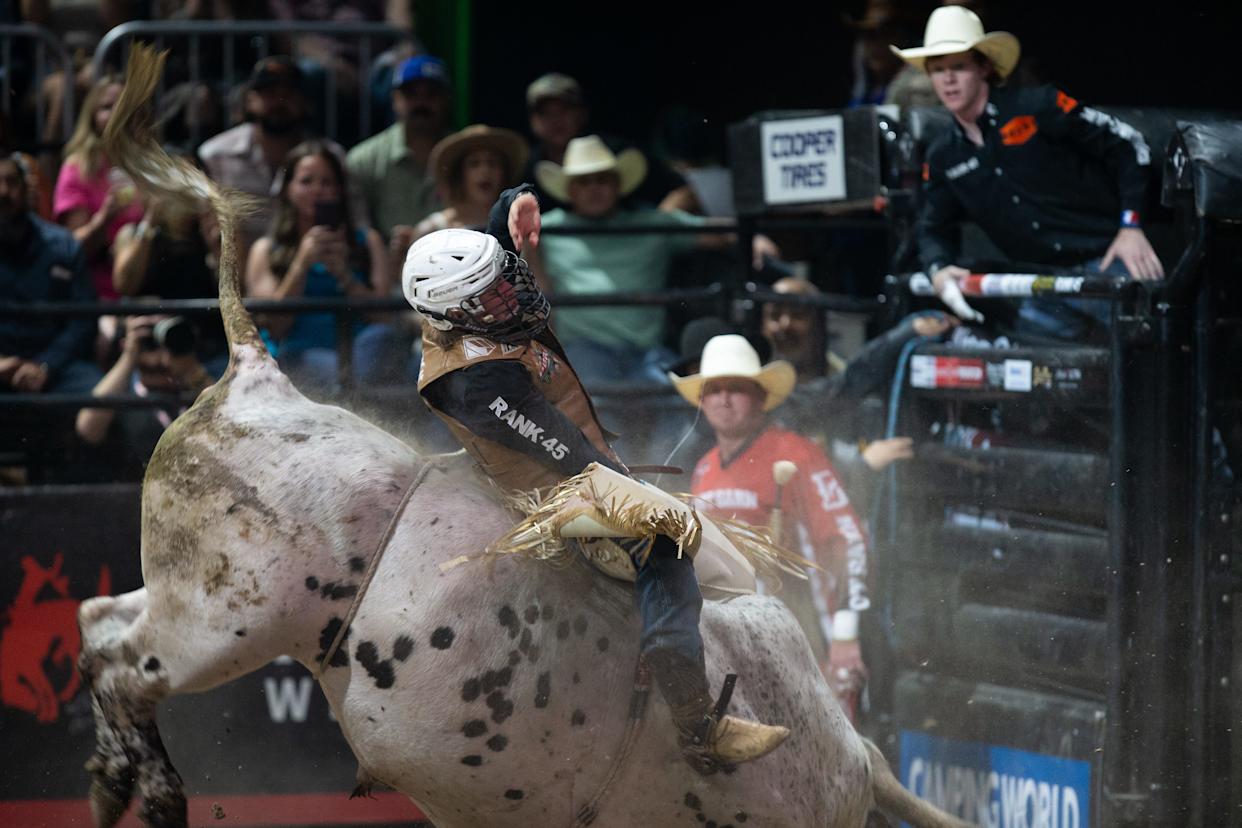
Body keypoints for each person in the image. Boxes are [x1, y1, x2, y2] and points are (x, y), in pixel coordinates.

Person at [402, 184, 789, 774]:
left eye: (505, 277)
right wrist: (630, 491)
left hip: (574, 460)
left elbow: (492, 245)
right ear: (456, 314)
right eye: (495, 292)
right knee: (663, 537)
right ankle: (694, 719)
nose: (512, 291)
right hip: (552, 489)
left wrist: (516, 200)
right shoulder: (473, 381)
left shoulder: (465, 300)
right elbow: (564, 448)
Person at [891, 6, 1162, 335]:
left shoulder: (1039, 107)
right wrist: (939, 269)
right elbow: (933, 227)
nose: (948, 79)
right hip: (1040, 284)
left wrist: (1130, 226)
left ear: (984, 67)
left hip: (1108, 262)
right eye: (937, 69)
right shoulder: (943, 155)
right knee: (1030, 371)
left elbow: (1129, 143)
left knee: (1156, 356)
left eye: (958, 66)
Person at [672, 334, 873, 720]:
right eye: (714, 389)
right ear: (701, 400)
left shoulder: (798, 455)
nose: (724, 399)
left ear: (760, 397)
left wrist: (846, 637)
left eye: (736, 389)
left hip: (810, 640)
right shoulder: (704, 469)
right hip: (738, 648)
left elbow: (847, 541)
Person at [529, 135, 777, 385]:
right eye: (584, 182)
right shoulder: (544, 229)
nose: (594, 188)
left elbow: (716, 233)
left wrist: (751, 240)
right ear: (570, 190)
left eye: (603, 179)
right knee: (596, 405)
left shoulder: (652, 223)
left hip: (648, 352)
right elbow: (501, 250)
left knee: (675, 399)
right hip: (583, 350)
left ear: (618, 185)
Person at [244, 141, 396, 393]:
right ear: (288, 189)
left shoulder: (367, 242)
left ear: (339, 190)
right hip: (296, 355)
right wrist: (301, 264)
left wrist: (344, 275)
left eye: (327, 182)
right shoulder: (265, 250)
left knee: (382, 338)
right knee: (326, 368)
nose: (318, 190)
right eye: (306, 181)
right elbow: (275, 324)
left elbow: (382, 317)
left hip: (359, 352)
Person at [199, 56, 355, 252]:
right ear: (249, 100)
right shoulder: (215, 155)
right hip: (234, 272)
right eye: (269, 93)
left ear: (305, 102)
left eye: (289, 93)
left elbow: (355, 224)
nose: (280, 102)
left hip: (314, 270)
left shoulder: (332, 157)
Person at [0, 153, 100, 396]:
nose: (3, 191)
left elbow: (84, 321)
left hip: (56, 366)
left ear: (26, 189)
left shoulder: (63, 246)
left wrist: (46, 365)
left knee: (104, 396)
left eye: (11, 182)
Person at [74, 313, 218, 481]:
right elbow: (88, 428)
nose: (160, 356)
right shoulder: (122, 392)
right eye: (149, 343)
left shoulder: (199, 387)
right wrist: (129, 355)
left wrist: (191, 368)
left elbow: (230, 420)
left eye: (167, 341)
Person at [522, 72, 688, 211]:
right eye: (544, 113)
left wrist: (655, 232)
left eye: (565, 110)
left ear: (583, 114)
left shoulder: (619, 152)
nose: (555, 120)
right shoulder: (526, 167)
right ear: (532, 121)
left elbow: (682, 191)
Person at [347, 55, 452, 266]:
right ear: (395, 99)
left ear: (445, 100)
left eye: (431, 94)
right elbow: (357, 235)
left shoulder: (464, 156)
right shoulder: (363, 160)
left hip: (452, 271)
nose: (421, 102)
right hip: (386, 277)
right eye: (411, 94)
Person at [53, 74, 145, 302]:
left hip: (150, 285)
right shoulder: (77, 167)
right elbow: (70, 250)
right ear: (92, 117)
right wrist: (105, 218)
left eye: (125, 105)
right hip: (95, 292)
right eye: (107, 107)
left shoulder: (151, 167)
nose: (117, 114)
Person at [411, 124, 527, 245]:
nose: (485, 171)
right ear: (458, 175)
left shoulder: (521, 228)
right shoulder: (431, 231)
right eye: (474, 164)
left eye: (493, 163)